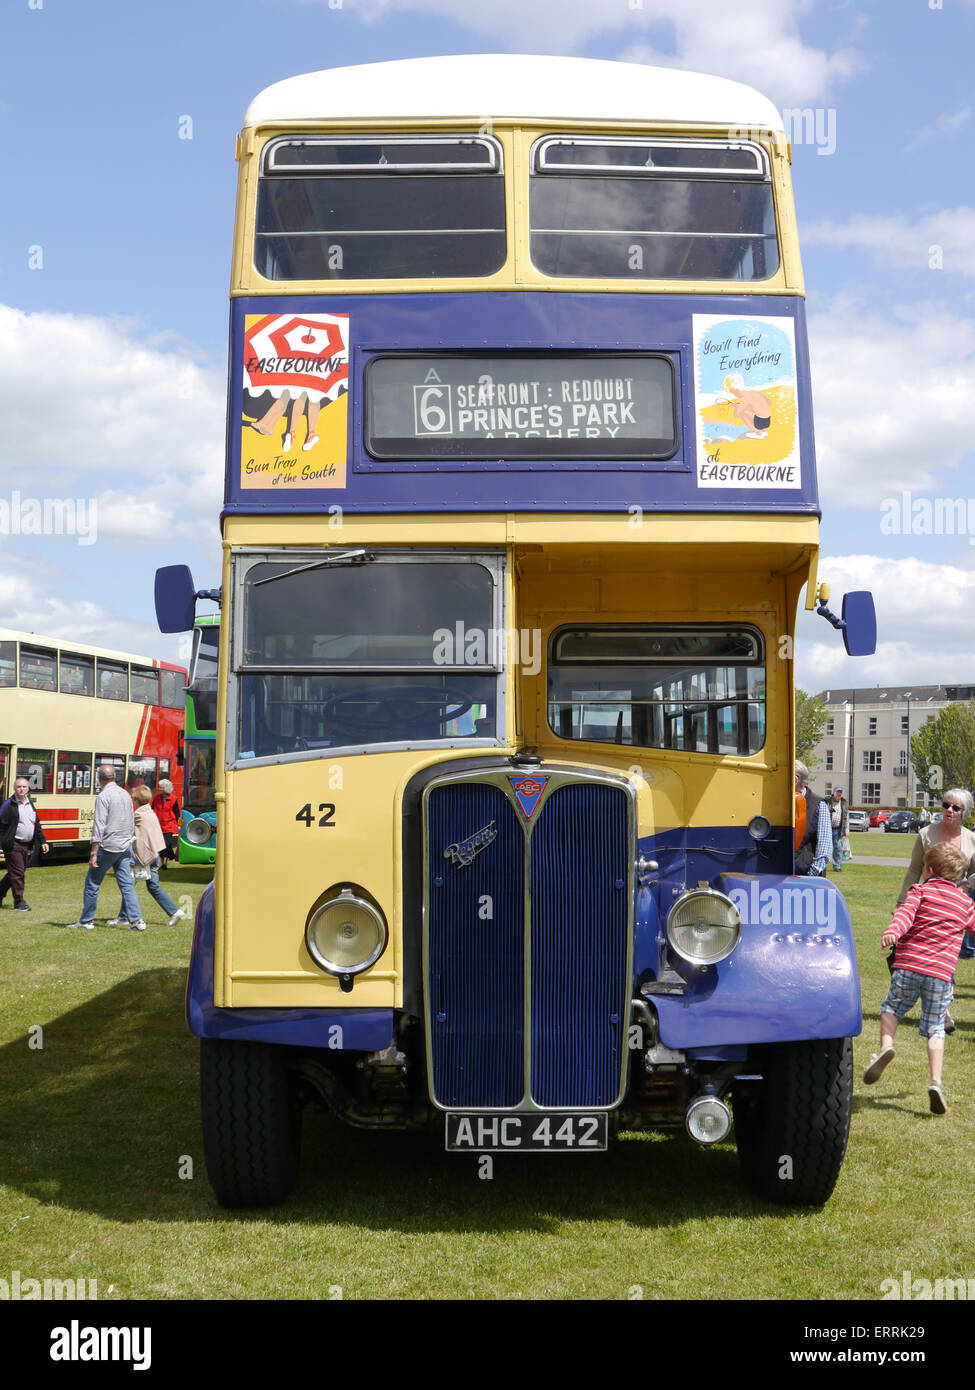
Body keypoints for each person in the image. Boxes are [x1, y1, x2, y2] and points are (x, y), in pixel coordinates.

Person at [864, 842, 975, 1113]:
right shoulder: (965, 903)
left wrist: (893, 931)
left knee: (892, 1009)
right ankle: (935, 1081)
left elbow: (905, 915)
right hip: (940, 974)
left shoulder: (920, 891)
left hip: (909, 966)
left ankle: (885, 1048)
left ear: (929, 869)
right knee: (936, 1027)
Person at [896, 787, 975, 1025]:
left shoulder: (971, 839)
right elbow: (913, 870)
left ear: (965, 813)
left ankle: (941, 1007)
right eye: (945, 805)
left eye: (955, 808)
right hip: (927, 903)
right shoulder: (925, 834)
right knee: (927, 953)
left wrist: (966, 887)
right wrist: (901, 903)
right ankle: (941, 1010)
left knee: (946, 953)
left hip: (954, 906)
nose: (948, 810)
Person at [66, 764, 144, 930]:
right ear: (114, 777)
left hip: (108, 846)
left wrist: (93, 852)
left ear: (99, 778)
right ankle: (137, 920)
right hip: (124, 845)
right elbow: (131, 822)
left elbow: (99, 826)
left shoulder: (103, 796)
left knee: (92, 884)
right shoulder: (125, 794)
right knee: (126, 885)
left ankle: (86, 921)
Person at [109, 786, 185, 930]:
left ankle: (123, 917)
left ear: (136, 800)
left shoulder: (138, 815)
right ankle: (175, 911)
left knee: (128, 886)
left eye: (133, 798)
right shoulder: (150, 812)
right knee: (152, 886)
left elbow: (136, 837)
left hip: (144, 856)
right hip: (154, 854)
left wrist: (133, 858)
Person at [0, 775, 50, 910]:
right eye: (19, 787)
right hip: (13, 844)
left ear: (28, 788)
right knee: (18, 874)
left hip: (27, 845)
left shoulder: (30, 803)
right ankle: (19, 903)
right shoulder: (8, 805)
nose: (21, 789)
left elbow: (36, 824)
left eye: (24, 787)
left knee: (15, 872)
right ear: (14, 788)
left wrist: (43, 841)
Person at [794, 761, 832, 877]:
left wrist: (810, 877)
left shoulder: (819, 805)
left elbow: (824, 850)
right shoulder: (779, 803)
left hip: (807, 880)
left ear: (795, 780)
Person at [151, 779, 180, 868]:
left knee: (167, 844)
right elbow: (152, 810)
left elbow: (177, 812)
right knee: (160, 845)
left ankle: (168, 858)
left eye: (160, 787)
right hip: (157, 825)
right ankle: (163, 864)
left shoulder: (173, 799)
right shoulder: (156, 798)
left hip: (169, 825)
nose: (158, 788)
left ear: (166, 788)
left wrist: (179, 824)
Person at [828, 785, 849, 873]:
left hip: (838, 829)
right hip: (827, 828)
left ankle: (837, 866)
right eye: (837, 792)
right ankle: (821, 866)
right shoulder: (828, 801)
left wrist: (847, 829)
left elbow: (846, 817)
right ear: (834, 793)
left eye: (840, 792)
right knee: (825, 848)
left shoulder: (843, 803)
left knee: (838, 848)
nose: (839, 794)